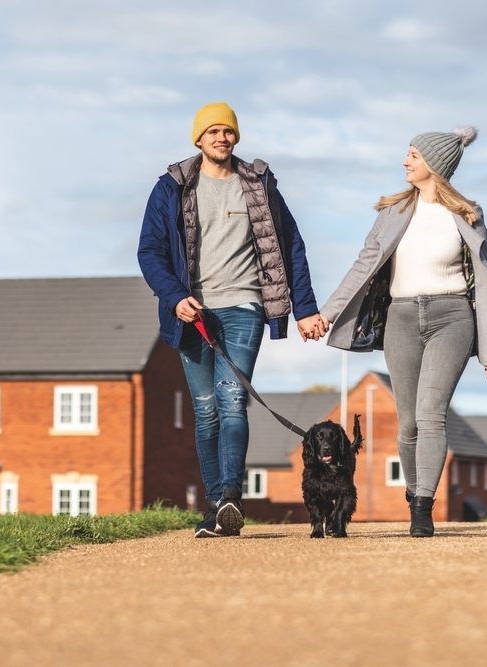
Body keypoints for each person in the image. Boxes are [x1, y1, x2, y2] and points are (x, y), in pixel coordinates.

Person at [138, 102, 326, 538]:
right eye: (213, 132)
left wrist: (306, 308)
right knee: (204, 413)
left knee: (231, 399)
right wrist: (174, 297)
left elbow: (290, 247)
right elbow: (150, 252)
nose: (221, 138)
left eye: (228, 131)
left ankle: (230, 497)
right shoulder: (172, 187)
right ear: (199, 139)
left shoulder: (258, 187)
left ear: (235, 138)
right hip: (193, 311)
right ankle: (214, 506)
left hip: (244, 305)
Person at [319, 127, 487, 537]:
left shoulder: (468, 214)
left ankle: (423, 507)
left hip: (452, 317)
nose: (406, 161)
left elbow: (486, 279)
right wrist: (327, 313)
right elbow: (362, 267)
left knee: (430, 415)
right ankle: (413, 490)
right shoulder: (393, 212)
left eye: (414, 155)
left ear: (434, 165)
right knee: (408, 426)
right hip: (400, 319)